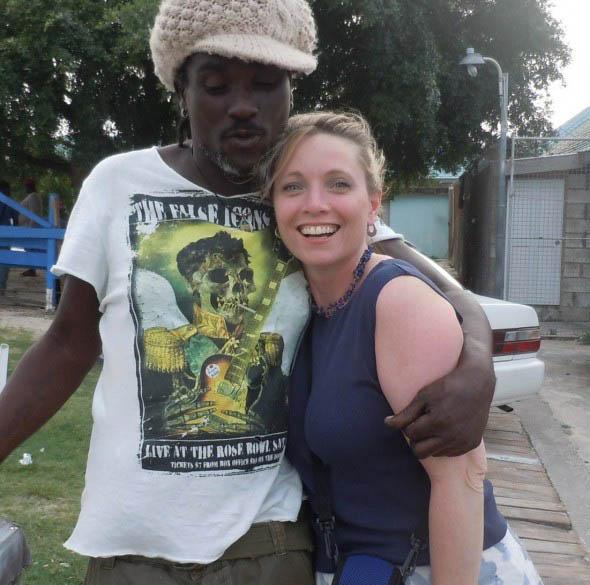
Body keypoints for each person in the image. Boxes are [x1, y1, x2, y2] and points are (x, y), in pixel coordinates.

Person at [0, 1, 495, 583]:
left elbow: (441, 291)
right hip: (132, 542)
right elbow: (66, 343)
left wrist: (477, 364)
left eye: (265, 85)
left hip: (268, 541)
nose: (242, 106)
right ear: (181, 91)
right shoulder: (117, 184)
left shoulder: (305, 199)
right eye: (215, 86)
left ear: (290, 92)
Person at [263, 111, 543, 585]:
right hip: (363, 569)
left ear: (373, 204)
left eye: (338, 184)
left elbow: (462, 479)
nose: (314, 204)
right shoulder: (306, 304)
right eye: (293, 186)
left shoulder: (398, 303)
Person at [19, 178, 43, 276]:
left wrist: (31, 229)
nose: (26, 188)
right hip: (26, 227)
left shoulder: (33, 196)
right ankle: (32, 268)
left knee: (33, 248)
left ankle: (35, 268)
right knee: (29, 248)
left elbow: (34, 213)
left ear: (30, 187)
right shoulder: (31, 196)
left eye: (27, 186)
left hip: (30, 227)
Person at [0, 180, 18, 294]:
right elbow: (16, 219)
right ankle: (1, 287)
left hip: (5, 232)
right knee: (4, 262)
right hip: (7, 233)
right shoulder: (10, 201)